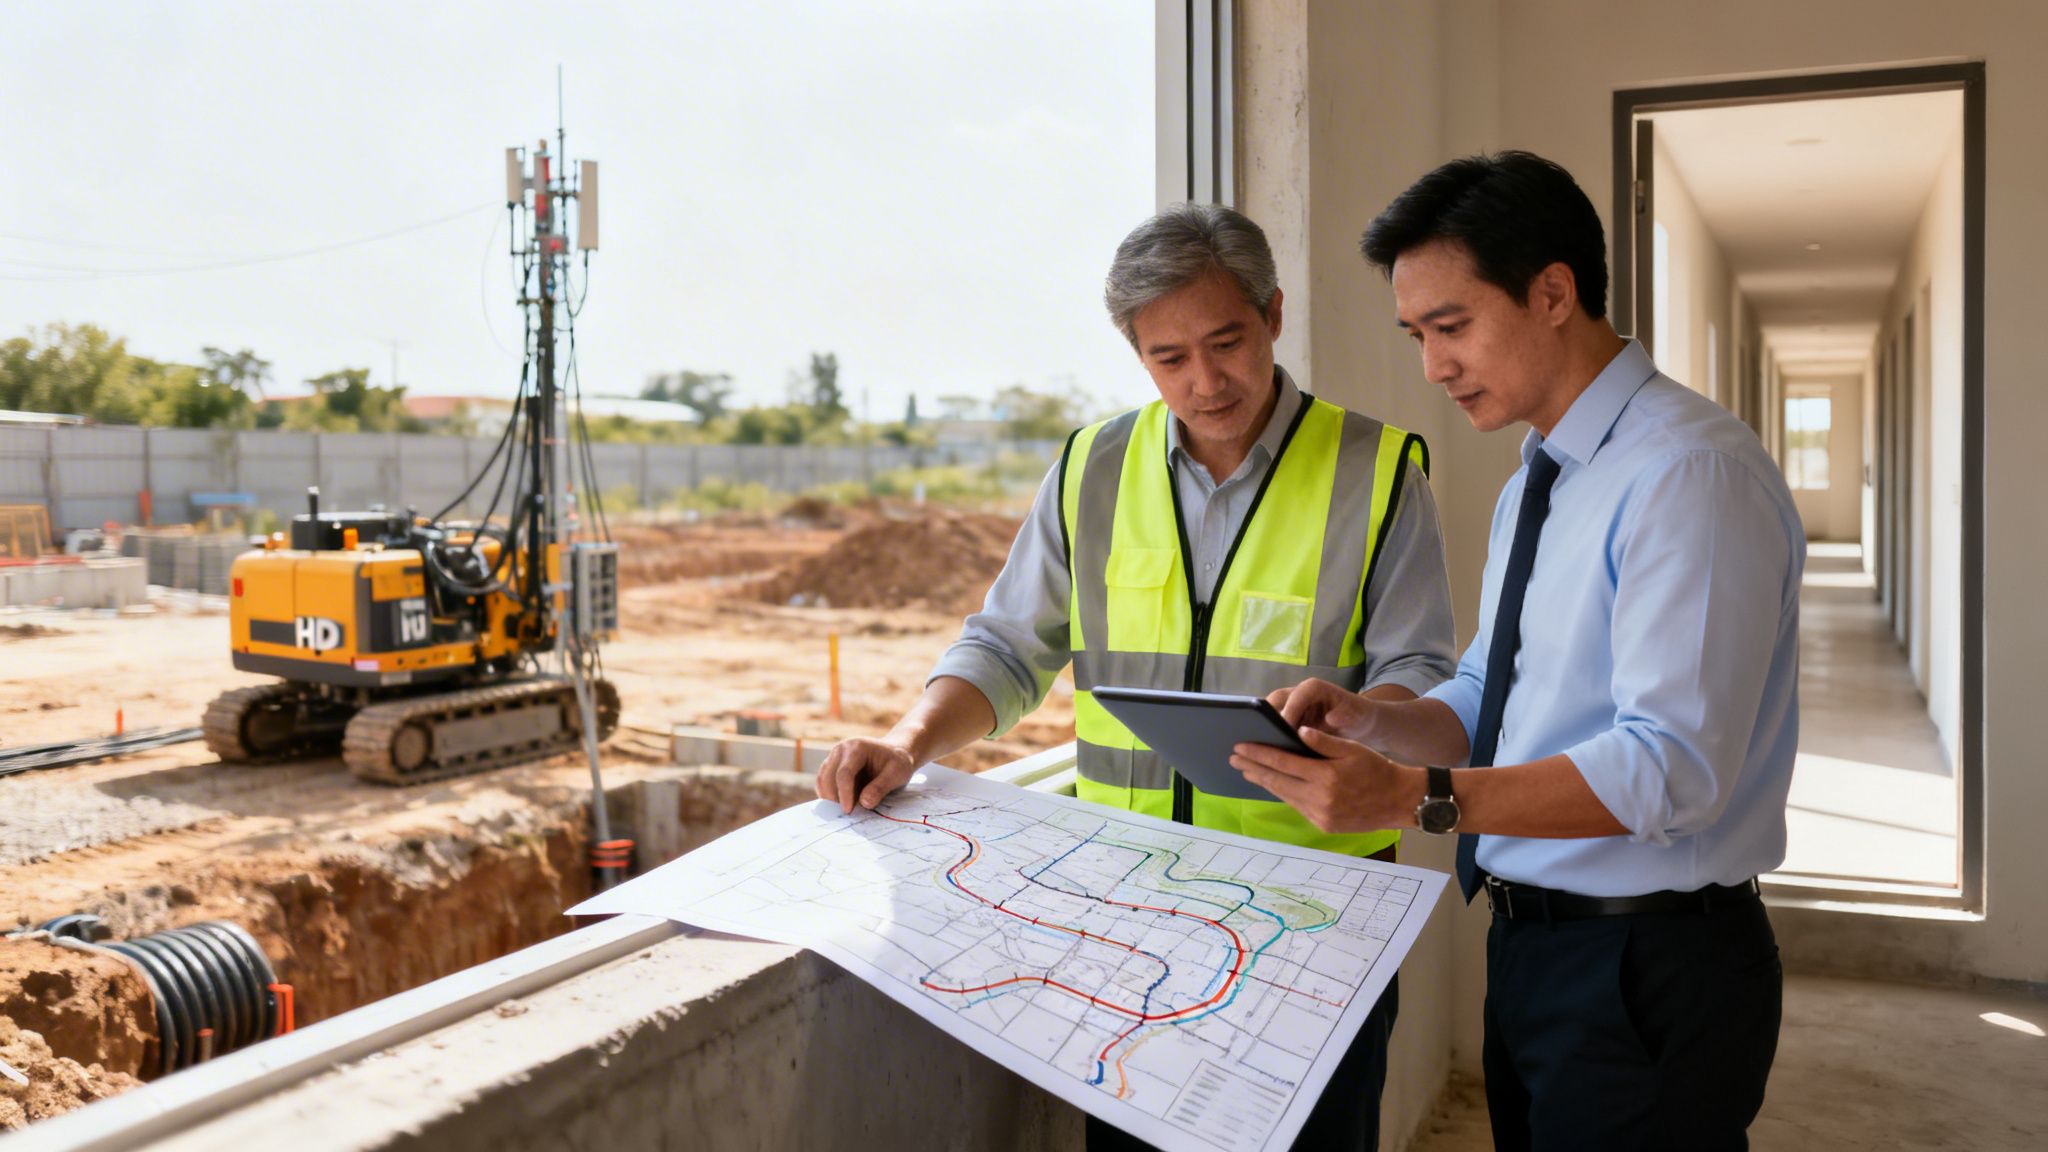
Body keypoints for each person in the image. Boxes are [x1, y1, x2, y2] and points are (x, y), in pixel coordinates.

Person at [816, 201, 1457, 1150]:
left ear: (1275, 314)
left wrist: (1365, 716)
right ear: (1137, 354)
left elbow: (1420, 671)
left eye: (1227, 342)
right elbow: (1006, 646)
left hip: (1316, 921)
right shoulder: (1091, 468)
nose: (1204, 381)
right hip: (1131, 925)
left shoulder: (1376, 468)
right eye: (1168, 357)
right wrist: (908, 742)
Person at [1231, 152, 1801, 1150]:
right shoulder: (1538, 478)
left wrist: (1415, 801)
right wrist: (1370, 718)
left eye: (1450, 327)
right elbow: (1487, 693)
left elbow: (1670, 770)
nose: (1431, 366)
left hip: (1649, 965)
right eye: (1415, 335)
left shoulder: (1688, 475)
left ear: (1551, 292)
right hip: (1537, 949)